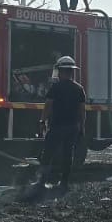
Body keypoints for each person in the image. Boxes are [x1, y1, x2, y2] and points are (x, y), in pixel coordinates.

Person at [27, 55, 85, 198]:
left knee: (48, 154)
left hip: (57, 126)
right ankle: (64, 183)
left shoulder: (55, 87)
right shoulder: (79, 89)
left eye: (59, 71)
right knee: (68, 155)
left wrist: (42, 122)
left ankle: (41, 183)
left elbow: (48, 106)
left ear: (62, 71)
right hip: (72, 127)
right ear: (71, 72)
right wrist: (82, 128)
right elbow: (82, 111)